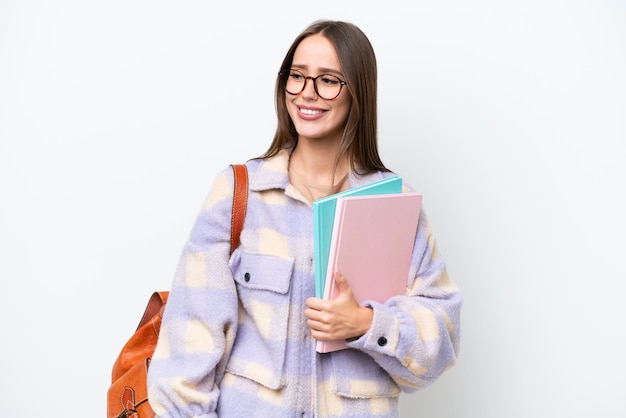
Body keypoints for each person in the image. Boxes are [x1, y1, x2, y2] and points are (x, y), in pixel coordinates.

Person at [147, 19, 461, 418]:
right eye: (297, 76)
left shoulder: (394, 205)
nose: (307, 93)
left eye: (328, 80)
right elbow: (187, 352)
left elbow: (442, 344)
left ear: (358, 92)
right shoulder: (237, 194)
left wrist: (365, 323)